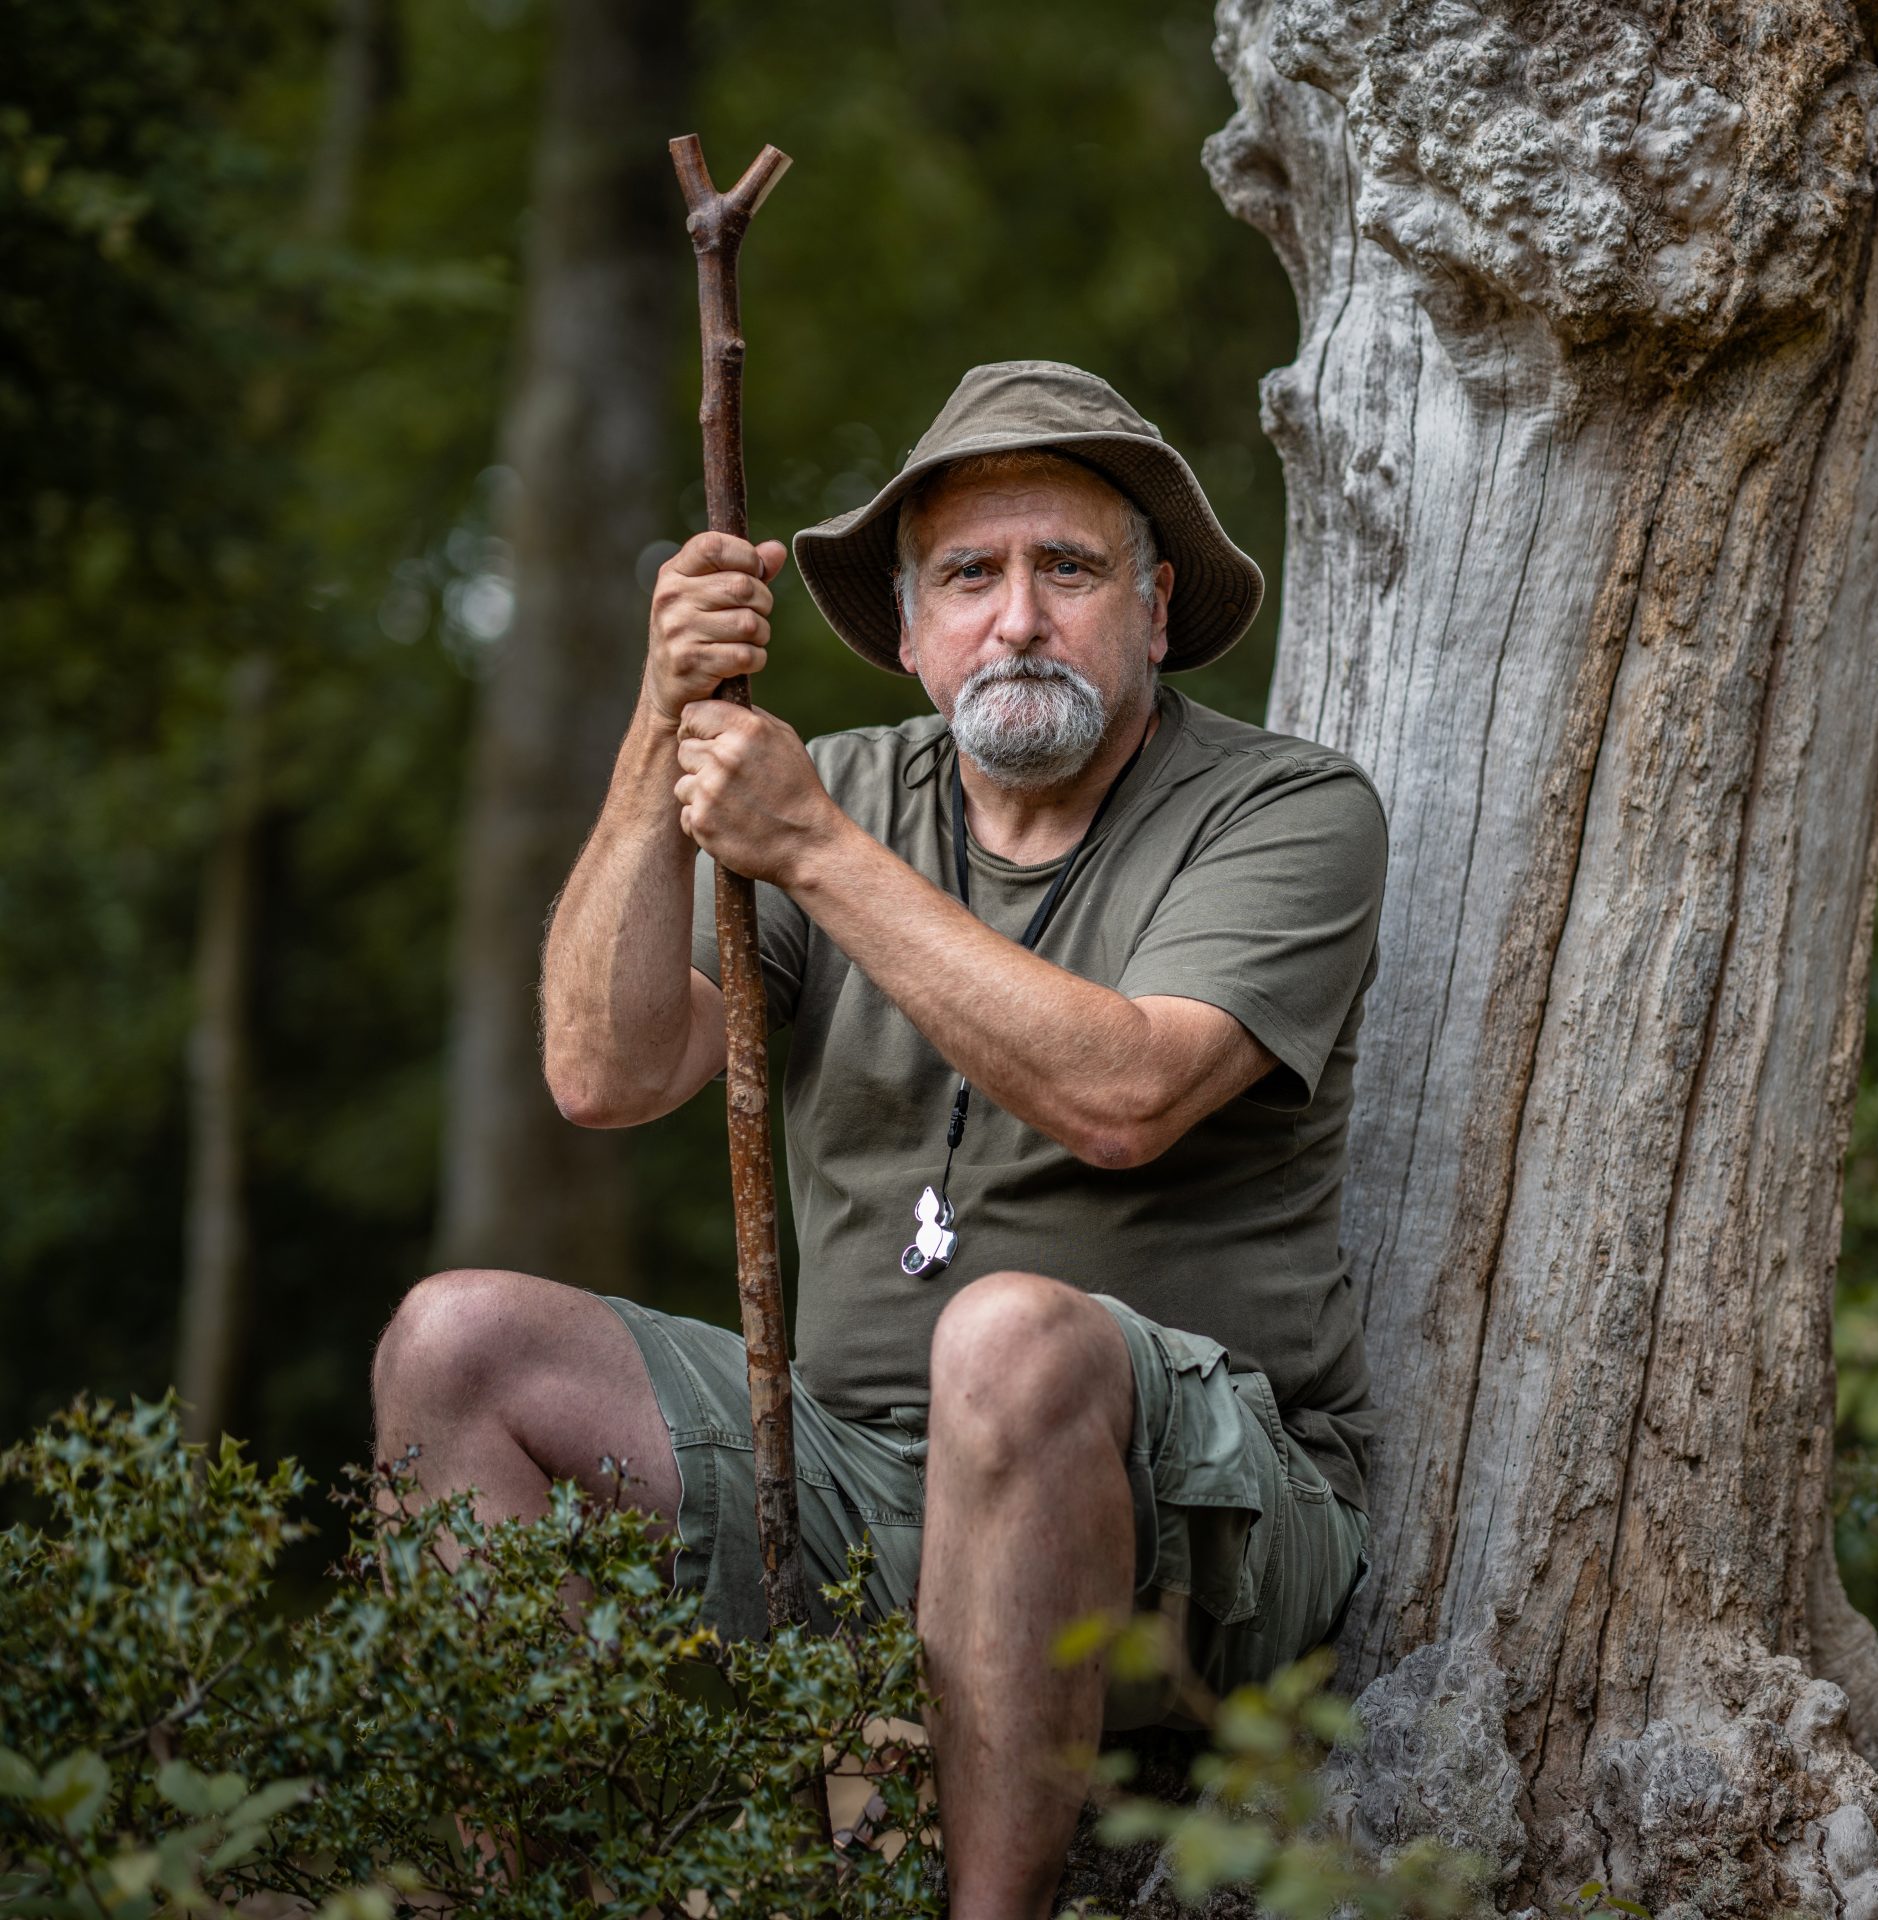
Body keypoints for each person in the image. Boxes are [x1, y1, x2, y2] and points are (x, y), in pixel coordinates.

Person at [369, 360, 1387, 1917]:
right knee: (458, 1344)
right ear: (910, 635)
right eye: (970, 576)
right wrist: (663, 732)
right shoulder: (841, 791)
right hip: (849, 1487)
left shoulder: (1286, 811)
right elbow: (604, 1069)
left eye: (1069, 568)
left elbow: (1127, 1097)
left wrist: (816, 855)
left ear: (1158, 607)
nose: (1020, 617)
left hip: (1201, 1517)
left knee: (1009, 1339)